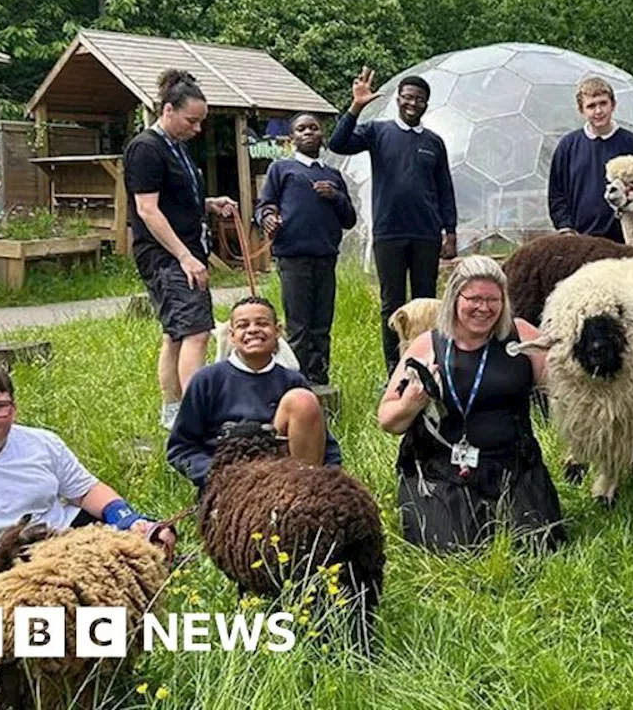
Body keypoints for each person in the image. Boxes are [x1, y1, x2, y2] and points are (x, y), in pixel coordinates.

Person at [0, 357, 176, 603]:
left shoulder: (41, 443)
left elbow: (86, 490)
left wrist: (128, 520)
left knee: (156, 541)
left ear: (13, 411)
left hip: (62, 544)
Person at [377, 256, 564, 553]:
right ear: (454, 298)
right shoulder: (428, 344)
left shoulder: (522, 336)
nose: (484, 308)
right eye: (474, 298)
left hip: (513, 465)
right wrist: (411, 403)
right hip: (441, 469)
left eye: (493, 299)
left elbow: (567, 386)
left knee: (538, 545)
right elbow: (388, 420)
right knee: (453, 549)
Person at [125, 69, 240, 430]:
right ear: (169, 110)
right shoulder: (146, 148)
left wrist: (208, 203)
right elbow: (147, 208)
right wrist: (184, 256)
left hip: (183, 251)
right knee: (196, 331)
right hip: (167, 256)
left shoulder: (177, 148)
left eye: (201, 121)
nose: (197, 128)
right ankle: (198, 416)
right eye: (192, 120)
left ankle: (173, 414)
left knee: (175, 334)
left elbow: (173, 199)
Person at [328, 67, 458, 378]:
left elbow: (444, 188)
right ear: (399, 99)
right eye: (408, 97)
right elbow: (338, 143)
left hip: (426, 232)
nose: (413, 103)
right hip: (389, 231)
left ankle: (428, 361)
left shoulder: (433, 142)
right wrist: (356, 106)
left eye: (420, 99)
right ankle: (395, 367)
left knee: (426, 300)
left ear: (427, 105)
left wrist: (449, 230)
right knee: (392, 302)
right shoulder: (377, 132)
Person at [167, 296, 342, 493]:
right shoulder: (207, 380)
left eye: (262, 323)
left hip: (286, 480)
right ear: (231, 336)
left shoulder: (292, 381)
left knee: (302, 401)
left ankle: (305, 496)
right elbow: (181, 448)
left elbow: (325, 446)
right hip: (231, 485)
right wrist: (215, 475)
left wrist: (331, 481)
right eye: (243, 325)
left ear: (278, 331)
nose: (253, 330)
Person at [255, 112, 355, 386]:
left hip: (325, 256)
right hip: (293, 256)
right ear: (292, 138)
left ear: (322, 135)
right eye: (302, 129)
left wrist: (335, 196)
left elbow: (349, 219)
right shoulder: (282, 168)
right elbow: (263, 205)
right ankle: (295, 382)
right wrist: (267, 218)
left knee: (322, 324)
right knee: (298, 325)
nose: (308, 132)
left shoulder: (332, 175)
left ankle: (320, 378)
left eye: (314, 128)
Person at [547, 76, 633, 242]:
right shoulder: (567, 147)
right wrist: (565, 229)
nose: (598, 111)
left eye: (603, 103)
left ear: (613, 104)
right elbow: (556, 195)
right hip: (580, 241)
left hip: (624, 241)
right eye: (591, 106)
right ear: (581, 110)